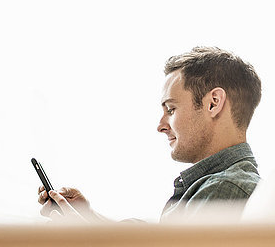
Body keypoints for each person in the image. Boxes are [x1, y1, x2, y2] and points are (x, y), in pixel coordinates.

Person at [37, 46, 262, 222]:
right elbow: (159, 239)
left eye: (171, 109)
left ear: (213, 103)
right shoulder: (216, 186)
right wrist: (87, 216)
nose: (161, 125)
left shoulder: (224, 190)